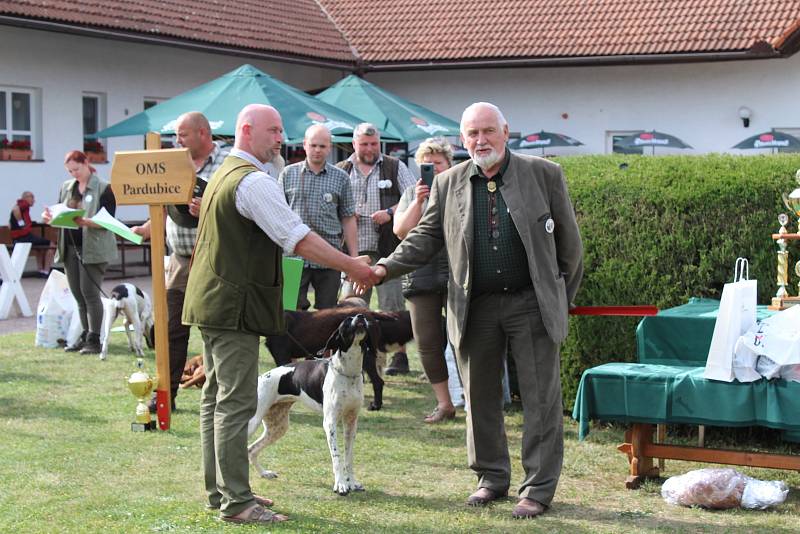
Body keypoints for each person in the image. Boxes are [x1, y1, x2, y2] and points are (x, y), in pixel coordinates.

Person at [362, 102, 583, 519]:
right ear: (462, 140)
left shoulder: (544, 174)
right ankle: (491, 478)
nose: (480, 140)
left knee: (540, 400)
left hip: (530, 304)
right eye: (471, 134)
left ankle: (536, 488)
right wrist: (383, 267)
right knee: (479, 397)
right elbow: (423, 238)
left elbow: (570, 249)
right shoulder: (448, 183)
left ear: (505, 131)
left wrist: (558, 300)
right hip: (474, 305)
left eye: (487, 131)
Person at [182, 104, 378, 525]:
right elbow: (297, 238)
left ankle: (223, 492)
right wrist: (353, 266)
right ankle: (235, 502)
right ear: (247, 130)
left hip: (215, 302)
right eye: (273, 131)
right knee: (233, 403)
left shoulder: (224, 173)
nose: (280, 139)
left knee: (216, 399)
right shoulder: (253, 181)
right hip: (232, 306)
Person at [131, 111, 229, 413]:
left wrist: (209, 209)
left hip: (216, 260)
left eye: (183, 135)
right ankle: (165, 395)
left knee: (216, 332)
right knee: (171, 329)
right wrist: (147, 230)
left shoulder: (227, 162)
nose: (177, 141)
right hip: (179, 261)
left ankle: (221, 397)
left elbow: (239, 206)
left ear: (203, 133)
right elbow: (162, 202)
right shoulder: (174, 162)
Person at [337, 122, 416, 374]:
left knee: (392, 306)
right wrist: (347, 215)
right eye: (364, 144)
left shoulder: (395, 166)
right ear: (354, 144)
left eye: (374, 144)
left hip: (388, 250)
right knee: (351, 304)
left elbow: (413, 197)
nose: (370, 149)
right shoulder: (342, 170)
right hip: (353, 252)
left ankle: (399, 358)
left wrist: (391, 212)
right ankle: (353, 358)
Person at [393, 137, 457, 423]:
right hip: (420, 273)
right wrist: (420, 200)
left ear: (449, 165)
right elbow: (400, 231)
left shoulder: (462, 189)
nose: (432, 168)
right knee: (427, 342)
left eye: (438, 164)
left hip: (457, 272)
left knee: (463, 339)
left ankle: (472, 398)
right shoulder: (411, 193)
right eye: (426, 165)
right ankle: (444, 404)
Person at [42, 151, 119, 355]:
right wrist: (50, 217)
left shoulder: (105, 188)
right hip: (69, 247)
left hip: (94, 249)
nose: (74, 174)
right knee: (77, 294)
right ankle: (85, 335)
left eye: (76, 169)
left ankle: (95, 338)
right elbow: (60, 212)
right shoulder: (67, 187)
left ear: (87, 163)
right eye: (69, 171)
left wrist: (86, 222)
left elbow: (109, 221)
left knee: (90, 293)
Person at [279, 124, 358, 310]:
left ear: (330, 147)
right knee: (289, 311)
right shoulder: (287, 174)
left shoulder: (341, 178)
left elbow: (348, 218)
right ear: (304, 145)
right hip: (292, 255)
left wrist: (353, 259)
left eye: (322, 146)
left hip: (330, 255)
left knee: (328, 313)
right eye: (313, 145)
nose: (317, 150)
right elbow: (278, 216)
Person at [10, 191, 53, 276]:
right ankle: (46, 271)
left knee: (40, 247)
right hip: (22, 238)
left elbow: (13, 224)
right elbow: (20, 225)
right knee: (52, 244)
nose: (34, 200)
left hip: (19, 237)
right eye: (32, 197)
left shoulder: (21, 207)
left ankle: (41, 270)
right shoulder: (21, 207)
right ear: (25, 198)